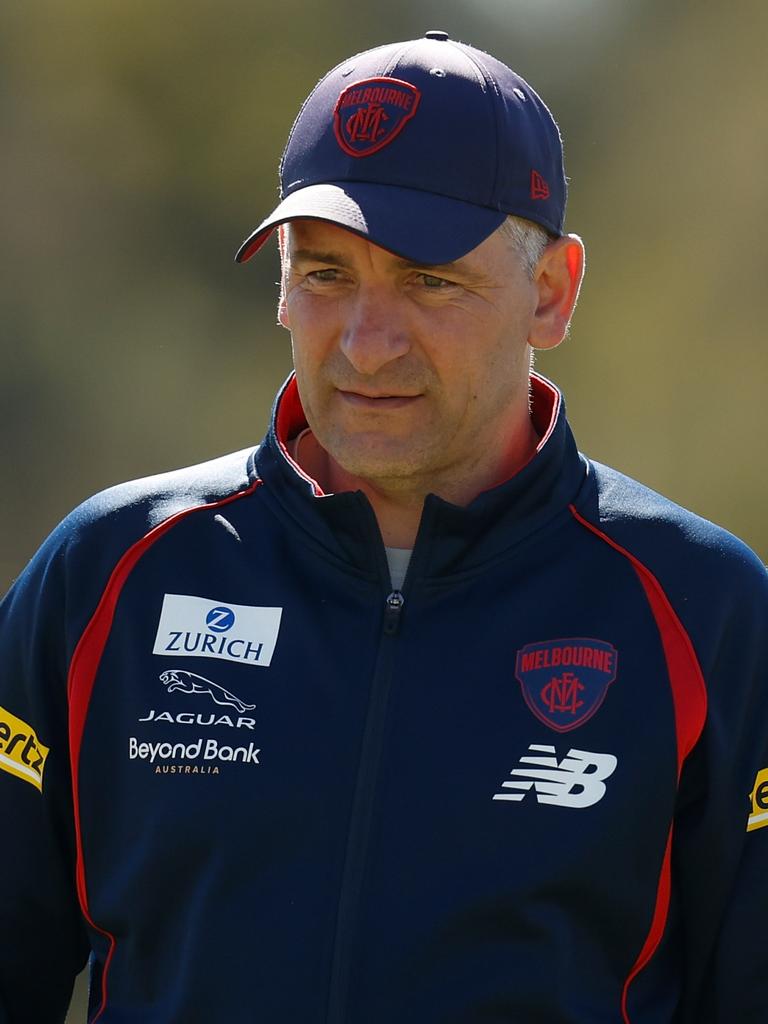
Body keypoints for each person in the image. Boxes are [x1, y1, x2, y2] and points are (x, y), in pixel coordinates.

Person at [0, 30, 766, 1024]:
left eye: (428, 280)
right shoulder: (108, 573)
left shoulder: (706, 610)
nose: (366, 342)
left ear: (551, 292)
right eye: (323, 274)